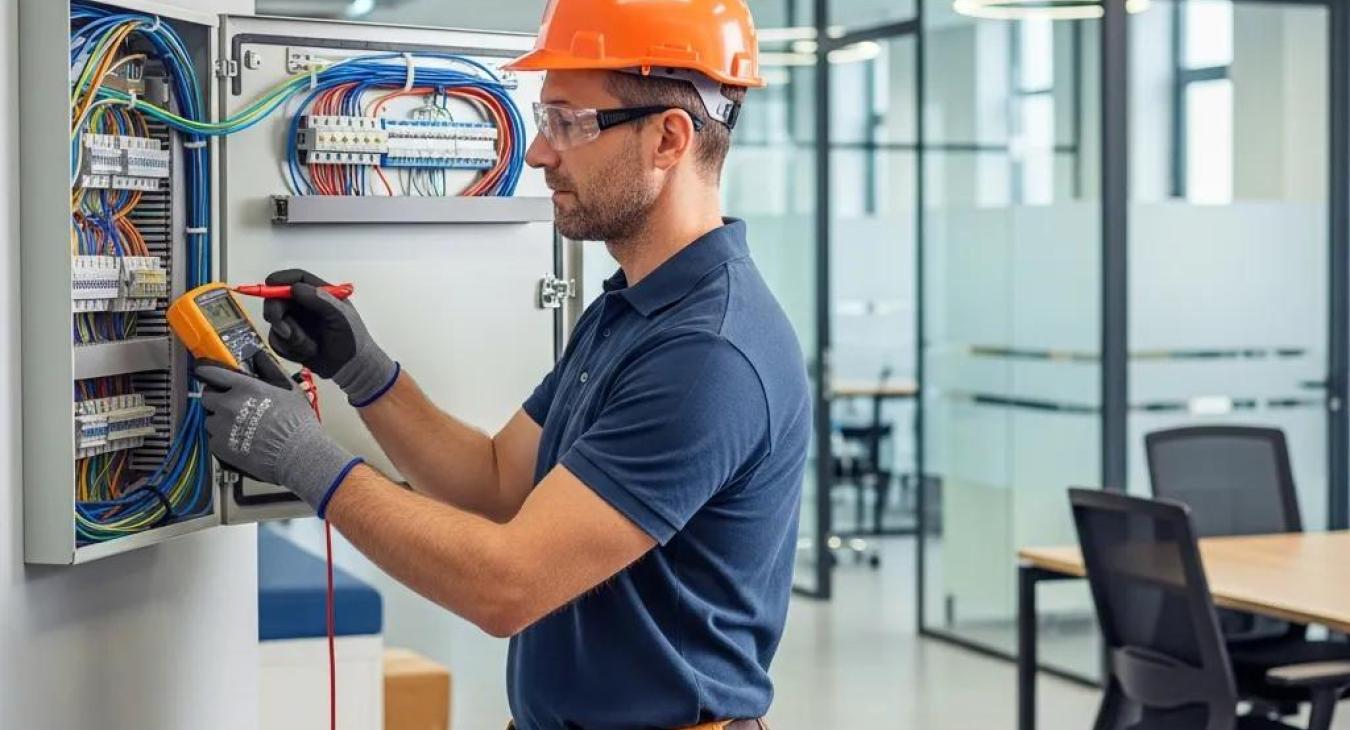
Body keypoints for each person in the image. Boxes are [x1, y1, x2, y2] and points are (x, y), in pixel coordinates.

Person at [194, 1, 810, 727]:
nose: (539, 153)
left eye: (566, 122)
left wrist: (303, 458)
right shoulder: (632, 311)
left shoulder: (707, 353)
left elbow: (507, 586)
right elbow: (494, 481)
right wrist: (363, 371)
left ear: (668, 139)